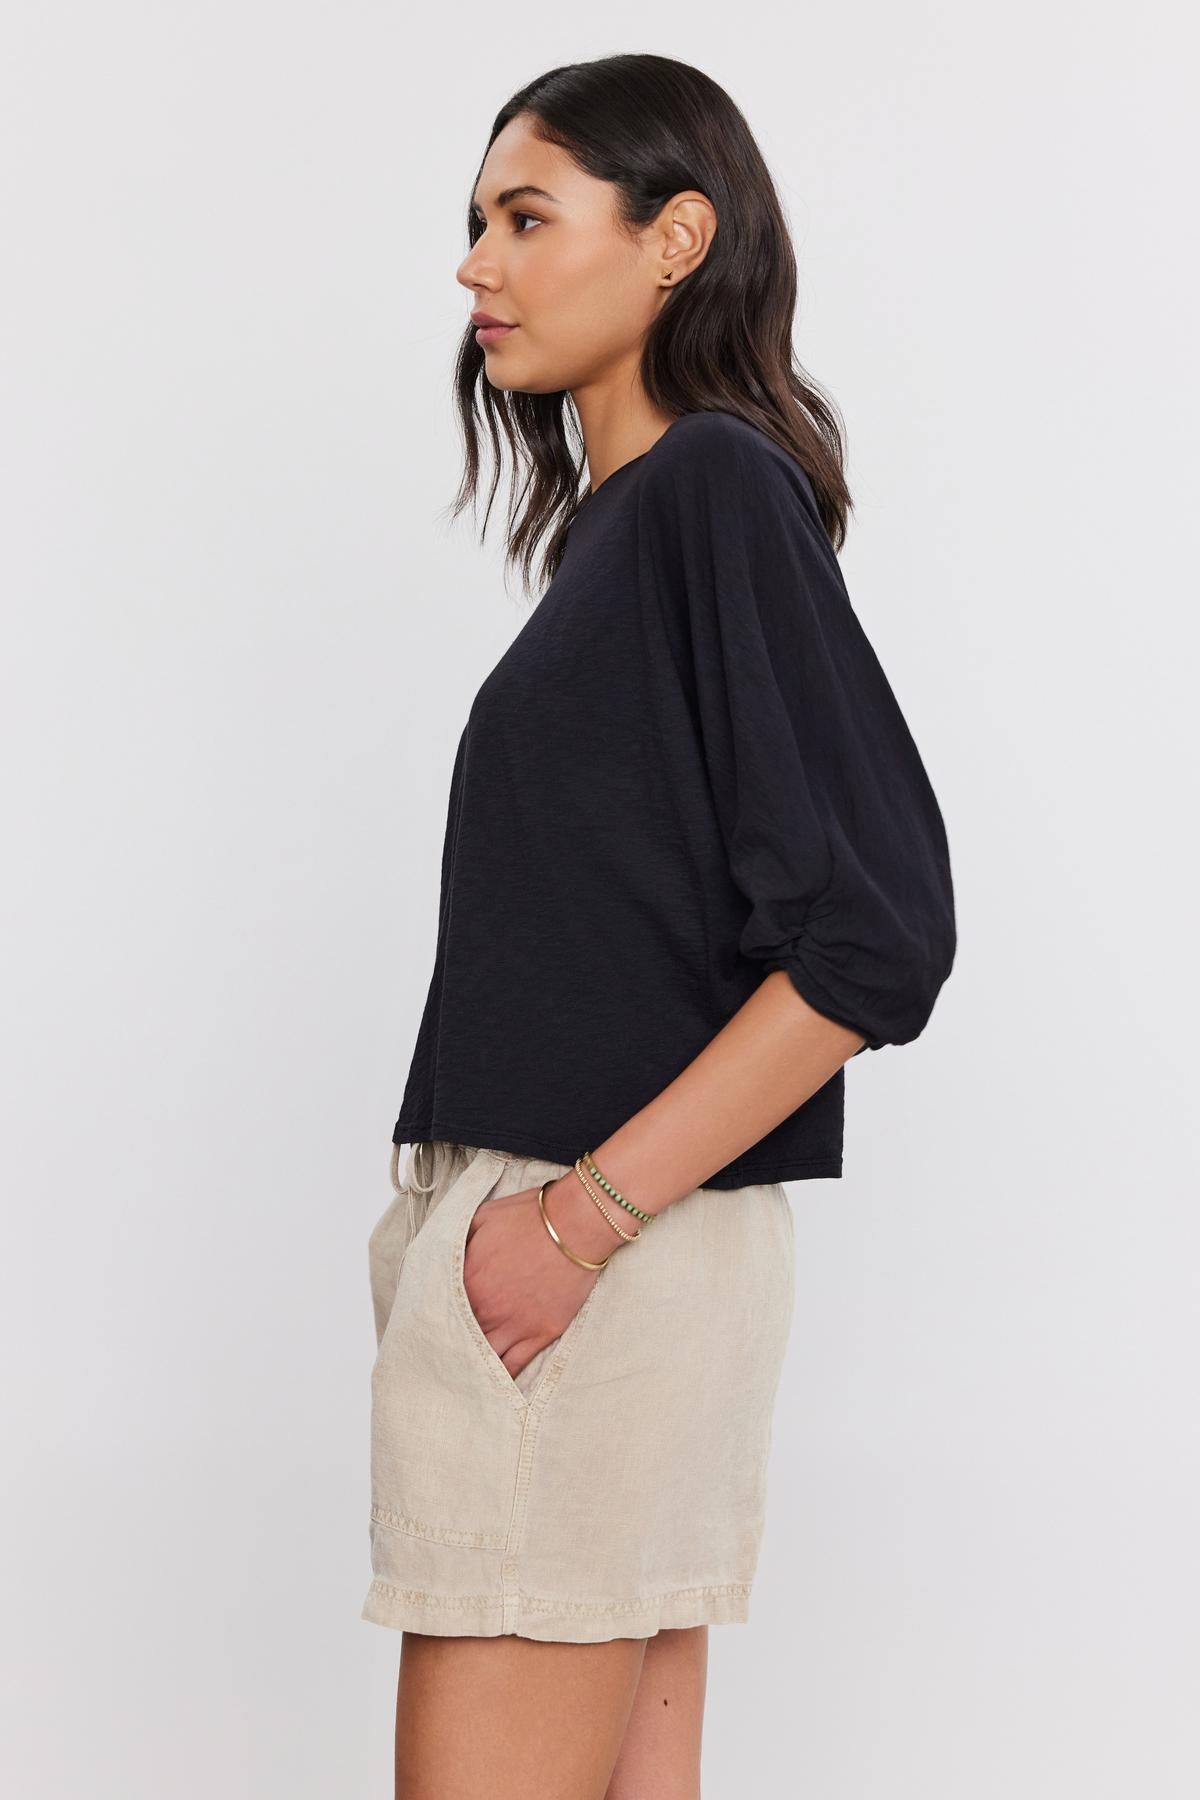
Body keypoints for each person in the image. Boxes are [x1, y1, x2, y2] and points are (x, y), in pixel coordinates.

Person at [363, 53, 956, 1800]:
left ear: (677, 237)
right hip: (616, 1263)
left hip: (600, 1252)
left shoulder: (706, 494)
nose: (477, 262)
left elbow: (872, 940)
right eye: (474, 222)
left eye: (528, 217)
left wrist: (577, 1223)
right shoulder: (637, 531)